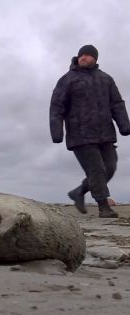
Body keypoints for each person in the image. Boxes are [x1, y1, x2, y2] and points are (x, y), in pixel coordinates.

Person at [50, 44, 130, 218]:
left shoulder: (106, 79)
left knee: (110, 167)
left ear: (95, 58)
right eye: (81, 55)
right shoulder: (68, 79)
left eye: (87, 55)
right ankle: (103, 206)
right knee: (97, 170)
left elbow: (116, 103)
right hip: (80, 135)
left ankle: (79, 192)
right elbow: (57, 106)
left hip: (106, 134)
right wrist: (57, 132)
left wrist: (124, 124)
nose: (83, 57)